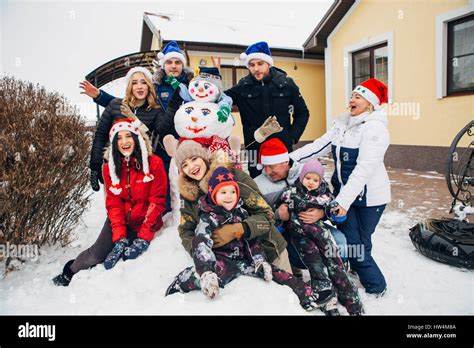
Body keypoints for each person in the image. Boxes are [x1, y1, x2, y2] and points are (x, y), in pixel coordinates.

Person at [166, 166, 320, 311]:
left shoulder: (241, 212)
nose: (229, 197)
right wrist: (206, 270)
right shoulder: (208, 217)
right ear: (213, 195)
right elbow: (201, 243)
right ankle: (185, 280)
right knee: (216, 277)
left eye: (232, 192)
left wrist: (259, 260)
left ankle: (306, 295)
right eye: (223, 193)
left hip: (244, 260)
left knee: (277, 274)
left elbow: (252, 240)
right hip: (222, 261)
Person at [289, 78, 390, 297]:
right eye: (352, 95)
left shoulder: (375, 129)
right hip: (346, 194)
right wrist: (289, 160)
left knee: (359, 242)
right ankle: (358, 271)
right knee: (351, 236)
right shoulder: (342, 124)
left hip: (369, 197)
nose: (351, 99)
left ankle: (376, 286)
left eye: (358, 97)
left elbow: (364, 169)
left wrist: (342, 202)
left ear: (370, 103)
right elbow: (318, 147)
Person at [80, 41, 193, 213]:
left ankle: (187, 216)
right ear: (164, 65)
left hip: (186, 139)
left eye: (177, 62)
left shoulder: (192, 85)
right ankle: (163, 215)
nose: (174, 66)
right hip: (159, 142)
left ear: (183, 66)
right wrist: (99, 96)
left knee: (187, 178)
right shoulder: (155, 85)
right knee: (161, 182)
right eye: (170, 62)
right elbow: (126, 104)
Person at [52, 118, 167, 286]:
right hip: (120, 220)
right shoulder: (109, 169)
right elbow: (114, 204)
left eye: (128, 136)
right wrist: (119, 236)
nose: (124, 142)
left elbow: (157, 202)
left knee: (125, 260)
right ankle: (69, 271)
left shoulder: (154, 163)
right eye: (119, 138)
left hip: (145, 222)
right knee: (97, 255)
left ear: (137, 138)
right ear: (113, 143)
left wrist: (143, 237)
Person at [279, 159, 364, 315]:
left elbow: (336, 214)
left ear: (321, 180)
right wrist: (281, 213)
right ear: (302, 177)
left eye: (315, 179)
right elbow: (280, 213)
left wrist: (332, 213)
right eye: (308, 178)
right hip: (301, 236)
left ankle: (351, 299)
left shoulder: (325, 195)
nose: (311, 182)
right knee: (316, 263)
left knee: (334, 262)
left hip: (320, 234)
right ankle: (327, 298)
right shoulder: (292, 192)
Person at [253, 139, 349, 277]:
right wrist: (276, 214)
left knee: (341, 244)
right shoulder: (259, 185)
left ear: (285, 162)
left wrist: (321, 213)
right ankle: (301, 269)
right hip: (286, 232)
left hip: (315, 227)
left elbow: (330, 201)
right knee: (304, 252)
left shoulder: (309, 173)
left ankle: (338, 274)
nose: (267, 171)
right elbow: (255, 218)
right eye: (264, 166)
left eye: (271, 166)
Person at [224, 41, 310, 178]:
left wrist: (292, 137)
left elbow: (303, 113)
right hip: (253, 148)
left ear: (268, 63)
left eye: (260, 64)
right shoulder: (242, 87)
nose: (256, 69)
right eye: (251, 65)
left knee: (283, 183)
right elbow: (221, 98)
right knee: (257, 184)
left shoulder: (286, 84)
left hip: (282, 145)